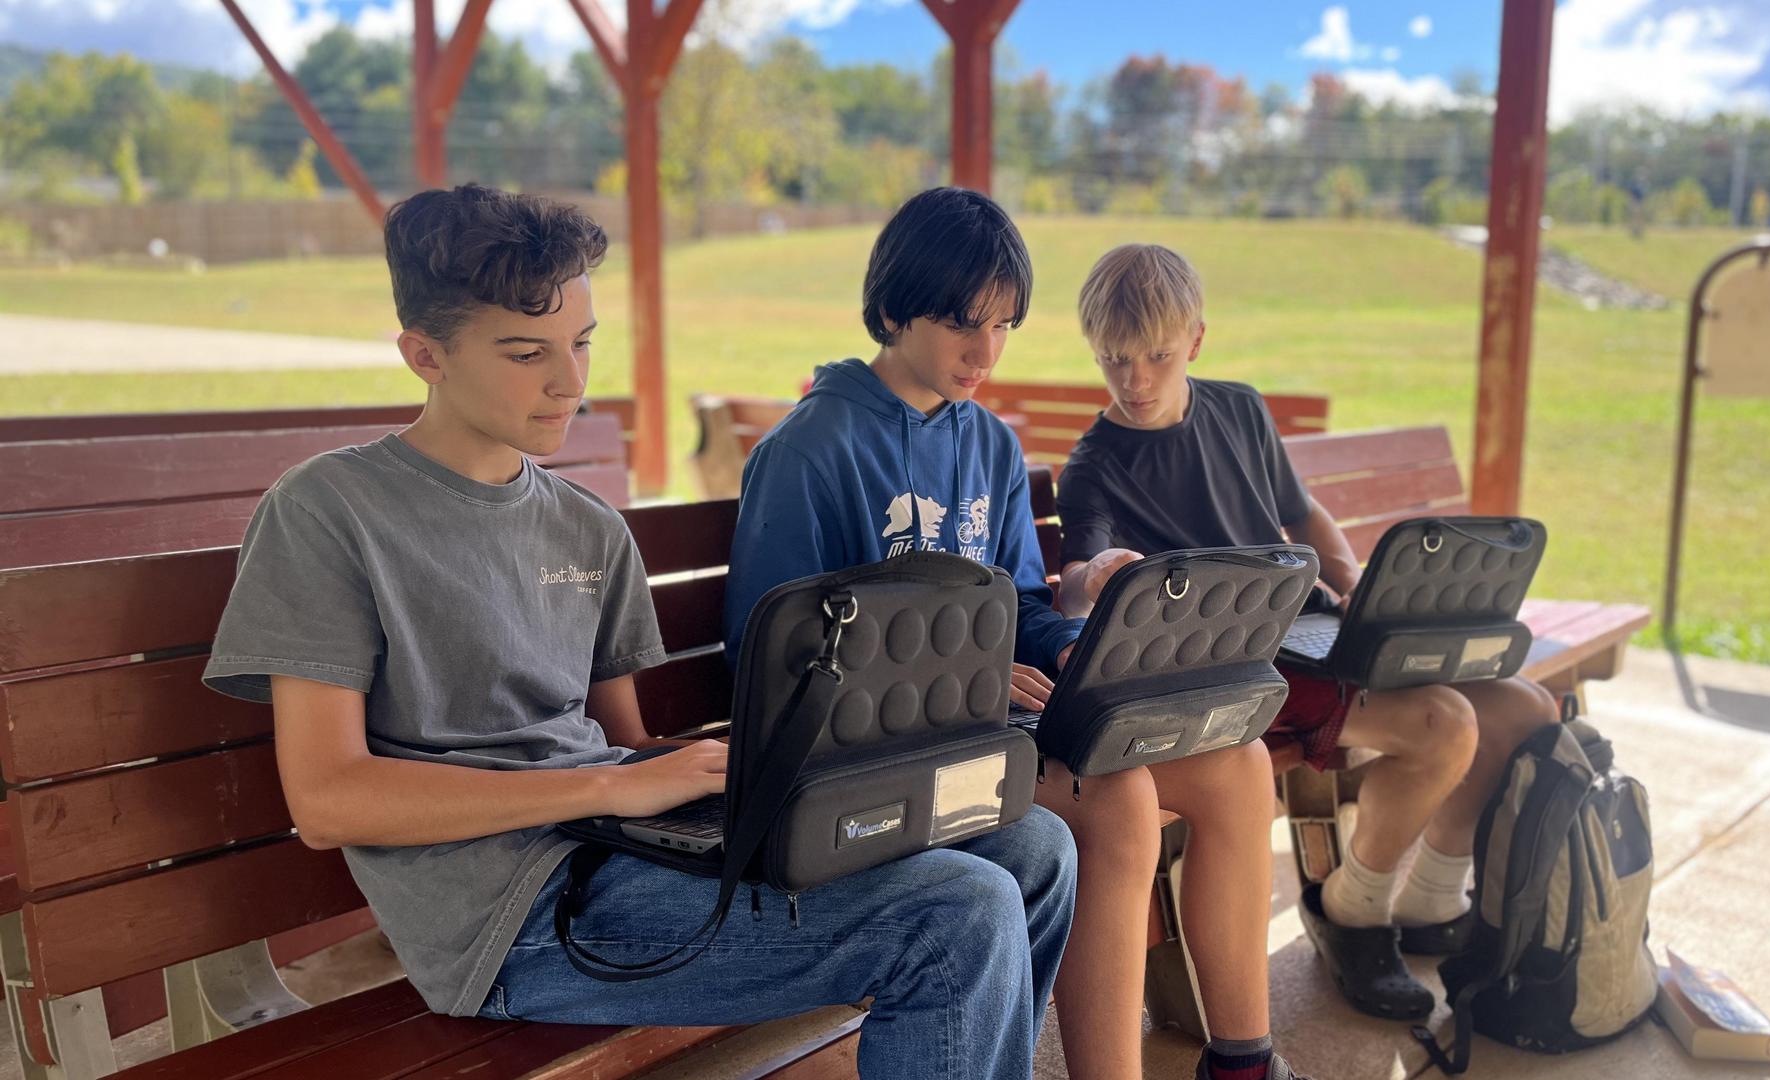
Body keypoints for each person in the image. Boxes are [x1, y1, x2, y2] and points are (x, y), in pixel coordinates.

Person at [202, 183, 1076, 1080]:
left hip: (625, 855)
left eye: (581, 343)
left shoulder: (586, 526)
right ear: (423, 354)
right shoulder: (329, 511)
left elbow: (625, 752)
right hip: (509, 915)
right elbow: (327, 801)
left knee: (1034, 848)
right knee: (955, 914)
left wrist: (709, 789)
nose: (569, 381)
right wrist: (604, 793)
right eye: (523, 352)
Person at [724, 188, 1309, 1080]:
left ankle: (1243, 1061)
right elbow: (770, 661)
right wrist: (954, 680)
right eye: (965, 323)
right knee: (1116, 802)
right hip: (872, 759)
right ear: (891, 309)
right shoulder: (813, 450)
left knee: (1238, 764)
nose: (985, 352)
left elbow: (1021, 606)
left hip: (989, 730)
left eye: (1004, 326)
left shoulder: (990, 446)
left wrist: (1080, 644)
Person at [1056, 242, 1559, 1020]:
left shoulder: (1239, 409)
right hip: (1243, 662)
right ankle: (1356, 912)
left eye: (1155, 356)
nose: (1134, 382)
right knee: (1445, 724)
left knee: (1524, 710)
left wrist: (1359, 588)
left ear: (1195, 339)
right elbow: (1085, 570)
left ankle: (1426, 898)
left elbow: (1301, 514)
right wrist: (1099, 572)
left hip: (1317, 630)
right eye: (1112, 360)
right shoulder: (1094, 464)